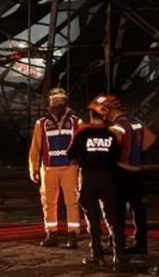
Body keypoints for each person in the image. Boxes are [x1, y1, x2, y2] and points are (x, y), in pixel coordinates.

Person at [67, 97, 127, 270]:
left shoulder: (81, 134)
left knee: (92, 220)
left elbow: (69, 155)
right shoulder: (111, 135)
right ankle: (120, 257)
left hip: (88, 179)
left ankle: (97, 256)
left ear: (90, 114)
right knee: (113, 219)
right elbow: (117, 156)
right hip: (109, 179)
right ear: (105, 117)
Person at [28, 87, 81, 248]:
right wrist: (34, 168)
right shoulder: (41, 123)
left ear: (65, 102)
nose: (58, 103)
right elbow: (36, 147)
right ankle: (51, 233)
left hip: (69, 168)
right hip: (48, 168)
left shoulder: (75, 122)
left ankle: (73, 235)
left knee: (72, 202)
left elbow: (81, 145)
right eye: (55, 100)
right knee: (48, 202)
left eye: (61, 100)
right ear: (49, 102)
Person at [102, 94, 152, 256]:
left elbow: (112, 148)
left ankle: (117, 244)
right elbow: (150, 140)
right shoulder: (136, 122)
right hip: (137, 171)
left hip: (121, 172)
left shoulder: (117, 126)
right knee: (138, 209)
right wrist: (136, 152)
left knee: (117, 211)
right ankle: (141, 244)